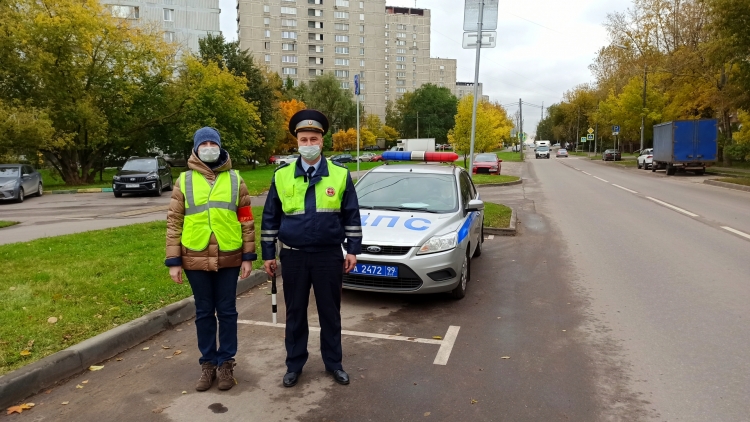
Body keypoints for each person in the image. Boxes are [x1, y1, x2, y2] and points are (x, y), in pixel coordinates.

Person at [261, 109, 362, 388]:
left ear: (322, 140)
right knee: (295, 312)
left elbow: (351, 216)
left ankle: (334, 364)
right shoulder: (281, 176)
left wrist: (352, 249)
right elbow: (270, 218)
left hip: (328, 256)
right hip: (293, 256)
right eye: (303, 139)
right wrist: (268, 253)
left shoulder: (340, 175)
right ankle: (294, 364)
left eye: (313, 138)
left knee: (331, 312)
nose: (308, 143)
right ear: (297, 142)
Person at [165, 127, 256, 392]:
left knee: (227, 312)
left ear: (219, 146)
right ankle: (208, 364)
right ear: (195, 148)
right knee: (204, 312)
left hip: (229, 255)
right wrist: (174, 260)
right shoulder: (184, 181)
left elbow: (246, 219)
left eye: (212, 143)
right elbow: (174, 222)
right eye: (203, 143)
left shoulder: (236, 179)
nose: (208, 147)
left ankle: (226, 363)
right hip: (193, 255)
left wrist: (248, 257)